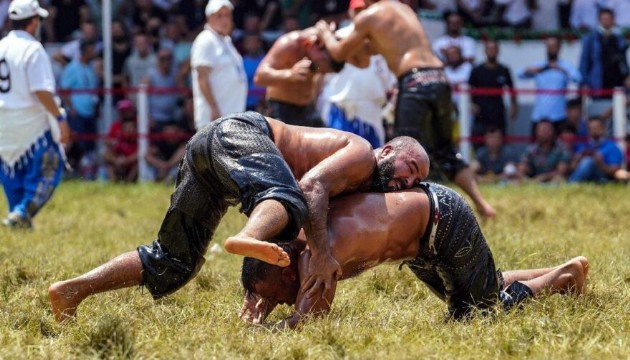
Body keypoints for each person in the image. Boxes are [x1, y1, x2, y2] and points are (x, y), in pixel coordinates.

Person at [48, 111, 430, 322]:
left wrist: (259, 293)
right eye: (410, 166)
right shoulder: (361, 153)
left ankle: (73, 290)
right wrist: (323, 254)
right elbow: (310, 188)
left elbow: (297, 236)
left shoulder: (360, 187)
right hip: (241, 133)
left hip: (209, 153)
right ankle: (248, 235)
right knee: (290, 198)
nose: (409, 180)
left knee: (174, 262)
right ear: (388, 149)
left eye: (417, 181)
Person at [239, 184, 589, 329]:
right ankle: (553, 269)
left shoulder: (312, 260)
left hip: (441, 220)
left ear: (285, 272)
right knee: (477, 289)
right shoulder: (299, 240)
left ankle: (565, 276)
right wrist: (262, 291)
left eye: (272, 295)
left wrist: (261, 329)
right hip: (423, 236)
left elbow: (309, 320)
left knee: (478, 314)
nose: (276, 303)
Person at [315, 0, 496, 218]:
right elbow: (371, 51)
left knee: (401, 153)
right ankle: (483, 206)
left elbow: (337, 54)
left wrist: (324, 32)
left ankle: (407, 217)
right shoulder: (402, 8)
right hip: (439, 78)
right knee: (445, 149)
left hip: (414, 81)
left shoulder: (368, 16)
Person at [0, 0, 70, 228]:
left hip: (3, 120)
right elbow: (41, 90)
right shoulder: (32, 48)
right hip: (30, 121)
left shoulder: (1, 46)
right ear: (33, 22)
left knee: (12, 169)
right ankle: (21, 212)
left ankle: (17, 217)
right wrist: (59, 118)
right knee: (51, 167)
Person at [321, 0, 397, 148]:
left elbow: (390, 82)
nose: (360, 13)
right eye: (357, 10)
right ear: (350, 12)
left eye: (364, 9)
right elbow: (324, 71)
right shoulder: (339, 36)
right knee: (337, 156)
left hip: (373, 109)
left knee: (372, 159)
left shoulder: (381, 39)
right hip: (342, 106)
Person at [253, 26, 346, 128]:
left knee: (329, 141)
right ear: (313, 44)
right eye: (323, 64)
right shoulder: (289, 44)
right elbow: (259, 77)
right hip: (282, 109)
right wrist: (290, 74)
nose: (323, 71)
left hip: (309, 108)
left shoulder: (327, 38)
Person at [190, 0, 246, 130]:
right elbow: (202, 78)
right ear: (209, 18)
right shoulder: (206, 40)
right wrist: (214, 109)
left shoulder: (225, 40)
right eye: (219, 16)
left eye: (227, 15)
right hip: (215, 119)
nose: (224, 20)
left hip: (230, 118)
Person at [517, 36, 582, 136]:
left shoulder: (565, 66)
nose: (551, 49)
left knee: (561, 148)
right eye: (549, 46)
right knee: (536, 149)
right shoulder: (540, 65)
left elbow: (578, 79)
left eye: (554, 46)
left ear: (559, 48)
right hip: (539, 116)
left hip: (559, 116)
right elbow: (519, 74)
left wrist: (561, 69)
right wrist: (537, 69)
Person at [579, 8, 628, 117]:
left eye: (609, 18)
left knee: (618, 116)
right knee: (598, 115)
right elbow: (584, 63)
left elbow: (623, 62)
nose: (606, 21)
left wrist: (626, 77)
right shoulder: (590, 39)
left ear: (613, 20)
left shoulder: (619, 39)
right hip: (598, 84)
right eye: (604, 18)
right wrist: (585, 83)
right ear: (599, 20)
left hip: (617, 84)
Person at [468, 39, 518, 145]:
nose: (492, 51)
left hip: (498, 112)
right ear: (485, 51)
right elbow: (469, 89)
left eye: (494, 48)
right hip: (481, 113)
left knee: (501, 142)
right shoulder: (477, 70)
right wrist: (472, 104)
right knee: (478, 142)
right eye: (489, 48)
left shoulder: (504, 70)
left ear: (498, 51)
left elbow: (512, 89)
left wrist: (514, 105)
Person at [568, 116, 623, 183]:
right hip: (585, 178)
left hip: (603, 178)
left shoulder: (612, 147)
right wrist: (577, 159)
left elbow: (616, 170)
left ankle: (571, 184)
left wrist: (601, 164)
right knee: (586, 161)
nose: (594, 131)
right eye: (591, 128)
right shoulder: (582, 145)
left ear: (603, 128)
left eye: (597, 128)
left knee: (588, 161)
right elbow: (572, 168)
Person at [102, 99, 139, 183]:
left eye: (126, 110)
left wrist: (126, 160)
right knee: (107, 156)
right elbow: (108, 142)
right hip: (119, 156)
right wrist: (117, 161)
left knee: (139, 159)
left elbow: (142, 150)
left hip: (132, 157)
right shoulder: (115, 125)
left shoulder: (140, 123)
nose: (124, 113)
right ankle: (113, 183)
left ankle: (128, 182)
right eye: (122, 111)